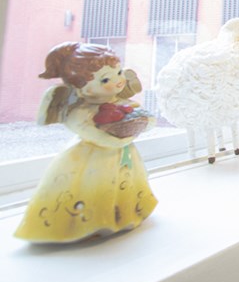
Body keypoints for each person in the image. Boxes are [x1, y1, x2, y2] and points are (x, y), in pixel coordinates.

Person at [14, 42, 158, 243]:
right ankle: (92, 222)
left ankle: (124, 214)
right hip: (94, 161)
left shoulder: (119, 103)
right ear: (81, 88)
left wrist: (140, 123)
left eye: (118, 73)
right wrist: (124, 138)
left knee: (123, 188)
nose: (118, 81)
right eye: (106, 79)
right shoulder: (81, 112)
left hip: (123, 157)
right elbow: (94, 135)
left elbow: (149, 119)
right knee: (94, 190)